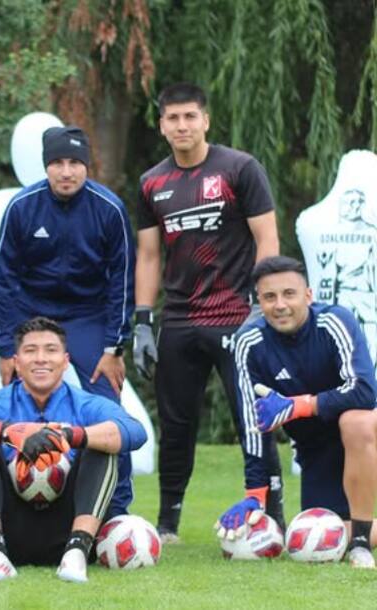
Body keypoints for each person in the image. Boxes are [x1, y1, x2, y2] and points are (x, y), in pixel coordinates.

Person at [134, 82, 283, 541]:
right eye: (173, 118)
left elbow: (267, 239)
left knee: (252, 418)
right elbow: (149, 256)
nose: (182, 126)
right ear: (161, 125)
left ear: (205, 121)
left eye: (190, 117)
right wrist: (142, 320)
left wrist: (264, 306)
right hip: (178, 320)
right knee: (177, 425)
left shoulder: (240, 168)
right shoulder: (151, 183)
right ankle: (168, 521)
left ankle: (271, 515)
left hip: (237, 315)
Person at [0, 125, 136, 518]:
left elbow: (122, 281)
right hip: (31, 315)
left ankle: (116, 512)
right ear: (46, 166)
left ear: (88, 165)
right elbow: (3, 280)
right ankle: (9, 508)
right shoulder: (22, 206)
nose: (66, 172)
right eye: (57, 163)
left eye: (75, 163)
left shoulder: (109, 209)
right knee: (14, 410)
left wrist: (113, 347)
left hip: (88, 317)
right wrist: (7, 348)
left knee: (107, 407)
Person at [0, 317, 147, 583]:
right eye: (31, 351)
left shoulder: (86, 404)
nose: (41, 358)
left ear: (65, 360)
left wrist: (72, 435)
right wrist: (6, 432)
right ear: (16, 361)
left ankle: (77, 554)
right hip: (12, 531)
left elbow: (135, 432)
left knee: (102, 441)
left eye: (51, 350)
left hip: (68, 526)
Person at [217, 256, 377, 568]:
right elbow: (253, 422)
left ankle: (360, 543)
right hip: (317, 451)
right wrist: (254, 493)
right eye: (269, 297)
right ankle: (359, 529)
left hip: (365, 438)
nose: (280, 305)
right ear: (258, 302)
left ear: (308, 295)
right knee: (309, 537)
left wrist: (299, 405)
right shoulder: (249, 343)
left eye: (289, 294)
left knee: (356, 420)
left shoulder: (334, 322)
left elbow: (365, 390)